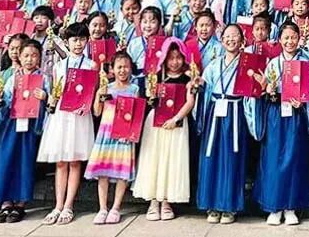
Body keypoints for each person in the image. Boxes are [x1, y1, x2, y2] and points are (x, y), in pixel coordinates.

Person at [250, 22, 309, 225]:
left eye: (293, 37)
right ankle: (274, 206)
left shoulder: (305, 64)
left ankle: (291, 207)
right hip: (275, 115)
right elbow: (262, 91)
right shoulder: (273, 63)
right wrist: (267, 90)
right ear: (279, 39)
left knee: (294, 158)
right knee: (273, 159)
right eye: (286, 38)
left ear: (299, 39)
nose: (290, 41)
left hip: (296, 116)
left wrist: (304, 101)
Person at [132, 38, 196, 221]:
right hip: (156, 124)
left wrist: (176, 119)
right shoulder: (156, 76)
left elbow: (190, 102)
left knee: (172, 160)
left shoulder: (188, 79)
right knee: (154, 159)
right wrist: (151, 95)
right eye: (171, 58)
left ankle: (167, 201)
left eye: (178, 57)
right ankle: (153, 201)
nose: (175, 62)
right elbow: (150, 100)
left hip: (177, 124)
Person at [38, 23, 95, 225]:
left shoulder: (91, 65)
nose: (78, 44)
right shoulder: (59, 66)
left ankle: (69, 206)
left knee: (75, 161)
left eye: (82, 39)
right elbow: (56, 92)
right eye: (74, 40)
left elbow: (91, 92)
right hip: (61, 115)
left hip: (80, 116)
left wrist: (85, 104)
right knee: (61, 161)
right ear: (66, 42)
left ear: (87, 41)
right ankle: (58, 205)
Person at [0, 38, 48, 224]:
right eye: (26, 55)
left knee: (25, 162)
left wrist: (45, 97)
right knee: (6, 159)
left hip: (31, 126)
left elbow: (51, 104)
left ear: (39, 58)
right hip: (12, 124)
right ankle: (6, 201)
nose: (30, 59)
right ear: (19, 57)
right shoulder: (12, 78)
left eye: (34, 55)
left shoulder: (44, 78)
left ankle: (21, 203)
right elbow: (5, 101)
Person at [196, 24, 249, 224]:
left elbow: (251, 92)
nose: (230, 39)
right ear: (221, 39)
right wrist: (198, 85)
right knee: (211, 156)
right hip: (215, 113)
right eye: (227, 36)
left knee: (231, 158)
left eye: (235, 36)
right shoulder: (213, 64)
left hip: (235, 112)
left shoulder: (246, 64)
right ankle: (211, 204)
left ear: (242, 40)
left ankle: (229, 206)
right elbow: (205, 85)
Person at [86, 51, 141, 225]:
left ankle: (116, 208)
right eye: (119, 67)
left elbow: (136, 115)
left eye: (126, 67)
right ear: (112, 69)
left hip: (124, 136)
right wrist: (98, 96)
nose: (122, 70)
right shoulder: (106, 88)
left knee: (122, 173)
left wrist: (130, 134)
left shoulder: (134, 89)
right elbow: (97, 112)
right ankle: (102, 208)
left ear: (131, 69)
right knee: (103, 171)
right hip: (106, 133)